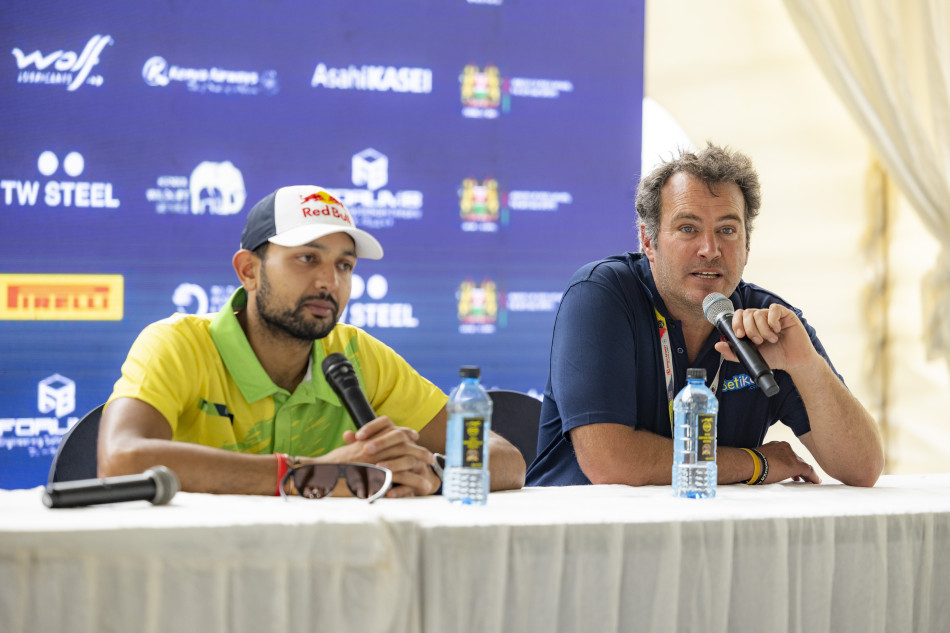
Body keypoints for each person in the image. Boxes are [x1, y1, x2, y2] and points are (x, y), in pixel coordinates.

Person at [99, 185, 526, 497]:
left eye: (345, 266)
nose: (329, 282)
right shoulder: (178, 344)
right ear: (249, 271)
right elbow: (121, 460)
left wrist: (432, 469)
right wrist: (310, 474)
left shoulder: (356, 353)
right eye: (308, 258)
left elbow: (507, 459)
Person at [525, 144, 884, 488]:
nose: (710, 250)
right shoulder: (600, 294)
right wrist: (755, 463)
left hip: (709, 538)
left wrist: (806, 365)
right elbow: (609, 461)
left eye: (727, 230)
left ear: (747, 246)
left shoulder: (767, 320)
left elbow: (863, 468)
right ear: (648, 242)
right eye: (688, 229)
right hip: (587, 538)